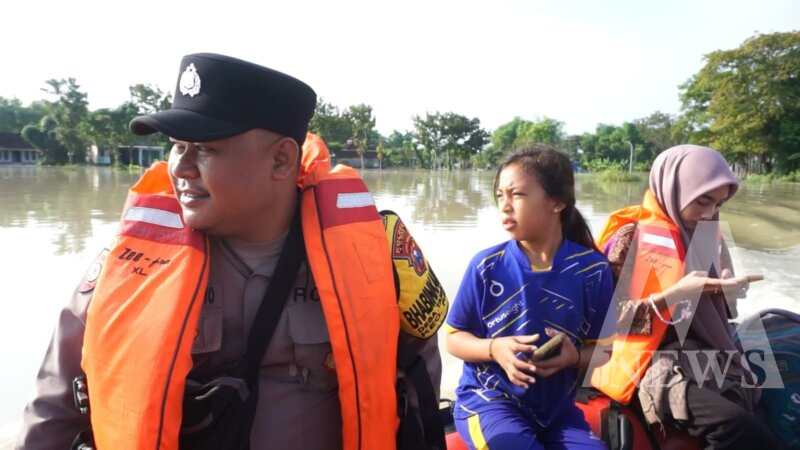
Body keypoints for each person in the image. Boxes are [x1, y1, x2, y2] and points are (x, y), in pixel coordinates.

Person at [16, 53, 447, 450]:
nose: (181, 168)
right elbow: (54, 407)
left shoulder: (374, 257)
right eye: (177, 146)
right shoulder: (129, 265)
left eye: (205, 149)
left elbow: (420, 386)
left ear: (281, 161)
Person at [591, 144, 781, 449]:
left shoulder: (708, 234)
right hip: (646, 363)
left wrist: (728, 293)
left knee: (763, 413)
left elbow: (720, 316)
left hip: (703, 351)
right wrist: (673, 295)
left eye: (718, 204)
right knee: (736, 426)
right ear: (674, 188)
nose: (709, 213)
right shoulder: (629, 238)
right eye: (703, 200)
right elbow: (604, 321)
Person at [445, 146, 614, 450]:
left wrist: (574, 357)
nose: (505, 206)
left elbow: (606, 350)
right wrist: (494, 348)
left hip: (557, 413)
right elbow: (454, 339)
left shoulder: (593, 270)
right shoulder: (486, 266)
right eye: (500, 195)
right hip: (489, 401)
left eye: (517, 195)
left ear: (557, 202)